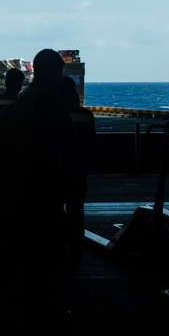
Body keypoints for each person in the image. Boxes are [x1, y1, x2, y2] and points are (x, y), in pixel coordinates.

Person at [0, 49, 72, 315]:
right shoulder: (47, 101)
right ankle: (30, 299)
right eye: (58, 72)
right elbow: (54, 144)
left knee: (27, 245)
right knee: (40, 246)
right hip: (39, 187)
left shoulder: (25, 100)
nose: (59, 77)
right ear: (50, 72)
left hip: (25, 184)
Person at [60, 75, 95, 263]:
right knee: (76, 210)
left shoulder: (53, 113)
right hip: (78, 170)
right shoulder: (86, 115)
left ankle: (56, 247)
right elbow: (90, 143)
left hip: (56, 170)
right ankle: (75, 248)